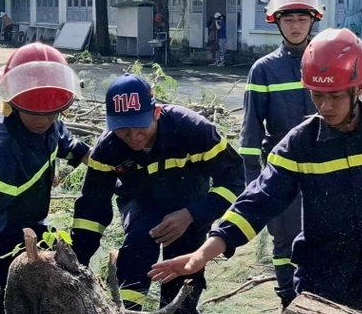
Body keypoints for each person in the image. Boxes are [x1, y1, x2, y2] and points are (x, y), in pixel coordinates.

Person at [151, 28, 362, 314]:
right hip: (326, 283)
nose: (325, 106)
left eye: (335, 96)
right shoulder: (299, 146)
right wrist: (202, 254)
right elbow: (256, 204)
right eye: (317, 95)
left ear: (360, 87)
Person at [71, 74, 244, 313]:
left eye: (139, 126)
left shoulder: (193, 131)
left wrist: (192, 214)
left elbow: (235, 181)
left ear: (155, 112)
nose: (133, 138)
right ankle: (128, 309)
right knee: (140, 242)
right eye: (123, 130)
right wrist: (76, 262)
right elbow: (92, 209)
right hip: (139, 204)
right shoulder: (107, 149)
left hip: (191, 207)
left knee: (183, 279)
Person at [0, 43, 90, 314]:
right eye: (35, 112)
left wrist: (94, 157)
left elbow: (64, 141)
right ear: (12, 101)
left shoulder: (50, 123)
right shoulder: (2, 154)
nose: (44, 120)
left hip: (34, 231)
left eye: (52, 111)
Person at [238, 0, 323, 306]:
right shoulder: (264, 70)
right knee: (285, 240)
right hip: (282, 171)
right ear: (277, 22)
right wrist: (252, 182)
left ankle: (319, 298)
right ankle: (289, 301)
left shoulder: (325, 59)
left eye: (302, 19)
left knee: (325, 234)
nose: (296, 25)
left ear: (313, 20)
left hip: (326, 168)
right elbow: (250, 132)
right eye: (289, 19)